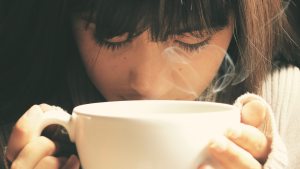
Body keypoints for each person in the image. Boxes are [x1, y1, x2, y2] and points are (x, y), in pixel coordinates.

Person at [0, 0, 299, 168]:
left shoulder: (286, 105)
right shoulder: (23, 128)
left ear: (238, 25)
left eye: (190, 39)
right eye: (112, 38)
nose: (147, 85)